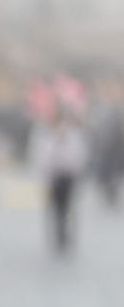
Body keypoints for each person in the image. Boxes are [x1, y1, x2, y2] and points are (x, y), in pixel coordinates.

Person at [31, 106, 90, 253]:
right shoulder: (47, 136)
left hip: (68, 178)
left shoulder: (74, 135)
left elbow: (79, 158)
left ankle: (66, 236)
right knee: (55, 209)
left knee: (68, 209)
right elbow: (42, 158)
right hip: (54, 178)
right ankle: (58, 236)